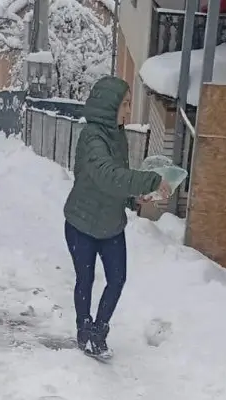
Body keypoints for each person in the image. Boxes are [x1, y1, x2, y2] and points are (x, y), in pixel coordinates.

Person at [63, 76, 172, 359]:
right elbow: (106, 175)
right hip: (82, 222)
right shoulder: (92, 138)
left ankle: (100, 331)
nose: (128, 110)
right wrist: (151, 180)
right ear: (109, 105)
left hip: (110, 224)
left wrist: (132, 199)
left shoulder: (117, 135)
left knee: (117, 279)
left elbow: (114, 185)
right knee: (85, 279)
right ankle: (84, 330)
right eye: (125, 104)